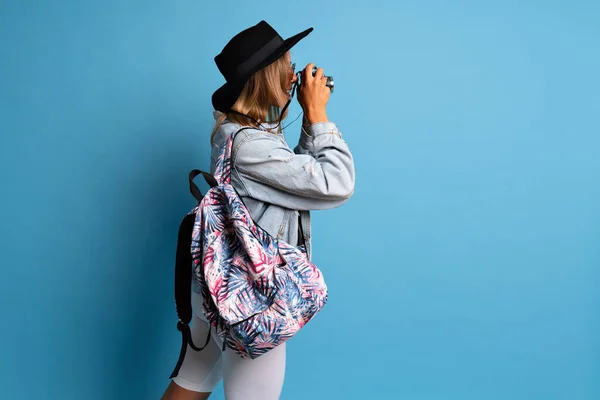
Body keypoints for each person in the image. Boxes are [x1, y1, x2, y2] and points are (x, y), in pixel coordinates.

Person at [161, 20, 355, 400]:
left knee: (192, 382)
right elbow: (336, 183)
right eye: (287, 64)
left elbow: (292, 181)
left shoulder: (237, 135)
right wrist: (317, 115)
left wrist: (303, 124)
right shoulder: (250, 143)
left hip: (217, 288)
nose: (294, 73)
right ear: (270, 76)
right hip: (253, 296)